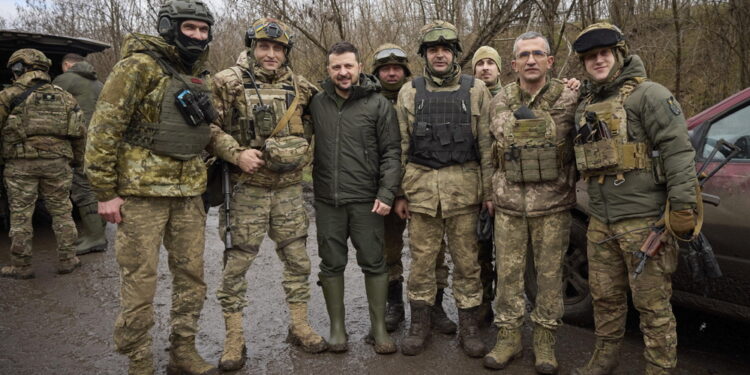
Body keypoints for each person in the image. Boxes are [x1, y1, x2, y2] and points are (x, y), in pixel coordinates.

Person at [85, 1, 255, 374]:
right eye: (189, 28)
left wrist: (236, 153)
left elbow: (207, 130)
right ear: (169, 27)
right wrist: (104, 192)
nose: (197, 36)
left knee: (192, 278)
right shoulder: (137, 67)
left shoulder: (199, 77)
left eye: (202, 29)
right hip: (141, 194)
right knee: (140, 282)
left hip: (188, 195)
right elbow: (103, 128)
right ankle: (140, 360)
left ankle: (183, 351)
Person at [569, 23, 697, 375]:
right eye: (590, 57)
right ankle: (603, 360)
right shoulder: (587, 104)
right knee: (605, 300)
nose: (598, 61)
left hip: (644, 224)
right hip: (600, 223)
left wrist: (683, 207)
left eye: (604, 54)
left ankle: (659, 368)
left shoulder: (650, 95)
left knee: (652, 307)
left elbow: (678, 151)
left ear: (619, 55)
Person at [210, 18, 327, 370]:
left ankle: (300, 325)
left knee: (298, 260)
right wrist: (235, 153)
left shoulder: (302, 87)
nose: (271, 54)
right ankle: (234, 339)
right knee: (237, 265)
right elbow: (207, 127)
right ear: (252, 48)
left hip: (289, 190)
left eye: (278, 48)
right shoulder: (227, 82)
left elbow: (332, 113)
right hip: (247, 189)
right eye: (264, 47)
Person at [394, 20, 493, 358]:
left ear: (454, 54)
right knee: (421, 262)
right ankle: (420, 324)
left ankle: (469, 327)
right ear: (425, 54)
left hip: (464, 194)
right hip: (421, 194)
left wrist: (489, 193)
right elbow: (401, 147)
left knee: (467, 264)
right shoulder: (410, 91)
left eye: (445, 49)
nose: (439, 55)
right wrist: (399, 194)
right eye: (433, 50)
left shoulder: (477, 89)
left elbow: (487, 147)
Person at [482, 31, 579, 374]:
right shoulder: (501, 97)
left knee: (550, 277)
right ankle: (508, 336)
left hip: (552, 205)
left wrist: (529, 125)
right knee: (508, 275)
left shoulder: (566, 96)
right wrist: (538, 125)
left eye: (538, 54)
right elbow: (502, 133)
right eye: (524, 55)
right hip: (509, 204)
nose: (531, 60)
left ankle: (545, 340)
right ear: (514, 64)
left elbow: (559, 131)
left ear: (550, 61)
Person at [309, 41, 401, 354]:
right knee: (331, 263)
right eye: (336, 67)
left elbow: (392, 152)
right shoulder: (317, 103)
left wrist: (387, 192)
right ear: (328, 70)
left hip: (367, 201)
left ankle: (378, 329)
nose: (343, 72)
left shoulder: (378, 104)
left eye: (348, 66)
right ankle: (337, 328)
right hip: (327, 200)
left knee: (374, 262)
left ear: (359, 67)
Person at [370, 43, 456, 335]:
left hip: (423, 187)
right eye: (385, 68)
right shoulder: (366, 99)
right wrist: (393, 194)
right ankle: (394, 306)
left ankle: (435, 306)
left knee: (433, 251)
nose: (392, 73)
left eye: (397, 68)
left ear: (406, 70)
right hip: (384, 190)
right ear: (377, 72)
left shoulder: (421, 93)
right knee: (388, 251)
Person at [0, 48, 85, 279]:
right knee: (62, 212)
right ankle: (68, 259)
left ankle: (21, 266)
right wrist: (77, 161)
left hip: (20, 164)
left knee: (20, 215)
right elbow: (79, 134)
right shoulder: (65, 96)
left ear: (18, 68)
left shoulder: (7, 96)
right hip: (58, 163)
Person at [52, 53, 107, 255]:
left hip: (80, 141)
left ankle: (96, 237)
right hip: (102, 140)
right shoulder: (98, 83)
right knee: (98, 185)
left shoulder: (63, 80)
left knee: (83, 186)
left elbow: (51, 109)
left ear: (66, 65)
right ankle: (96, 233)